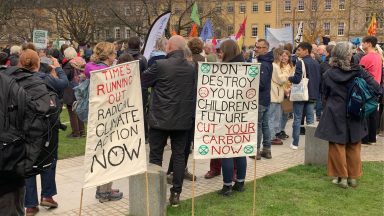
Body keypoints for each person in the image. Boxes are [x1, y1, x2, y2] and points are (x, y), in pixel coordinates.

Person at [315, 42, 382, 188]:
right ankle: (352, 177)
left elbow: (324, 94)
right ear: (348, 55)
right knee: (354, 144)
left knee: (336, 145)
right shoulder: (359, 71)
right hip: (355, 110)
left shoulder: (328, 74)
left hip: (334, 111)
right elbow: (377, 88)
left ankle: (342, 178)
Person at [141, 35, 195, 207]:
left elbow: (143, 80)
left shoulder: (160, 65)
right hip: (182, 119)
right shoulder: (192, 67)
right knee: (179, 156)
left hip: (160, 120)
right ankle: (176, 194)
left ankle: (156, 193)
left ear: (169, 47)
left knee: (156, 156)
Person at [22, 49, 68, 216]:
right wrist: (58, 68)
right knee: (49, 158)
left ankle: (30, 204)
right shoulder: (46, 78)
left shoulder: (16, 80)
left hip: (26, 128)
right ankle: (47, 195)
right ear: (38, 63)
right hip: (47, 127)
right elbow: (64, 83)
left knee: (28, 163)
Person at [84, 42, 123, 202]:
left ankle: (104, 188)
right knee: (108, 152)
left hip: (98, 117)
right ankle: (104, 192)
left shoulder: (91, 68)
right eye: (114, 54)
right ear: (108, 56)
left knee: (102, 152)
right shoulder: (106, 72)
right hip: (107, 116)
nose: (116, 57)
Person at [166, 38, 203, 184]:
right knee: (182, 145)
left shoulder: (195, 64)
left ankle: (175, 171)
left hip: (188, 109)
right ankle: (176, 172)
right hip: (187, 110)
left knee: (183, 145)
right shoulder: (190, 66)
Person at [216, 39, 247, 196]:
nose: (219, 53)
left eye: (221, 51)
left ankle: (227, 186)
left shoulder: (223, 70)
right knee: (240, 148)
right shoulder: (246, 67)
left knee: (226, 150)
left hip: (225, 115)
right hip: (242, 115)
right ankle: (240, 182)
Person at [288, 42, 321, 150]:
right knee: (310, 120)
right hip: (313, 94)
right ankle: (310, 144)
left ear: (306, 51)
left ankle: (295, 143)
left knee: (297, 119)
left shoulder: (300, 62)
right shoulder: (316, 63)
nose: (297, 52)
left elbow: (297, 79)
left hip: (301, 94)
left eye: (299, 50)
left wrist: (290, 78)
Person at [250, 39, 273, 160]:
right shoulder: (266, 61)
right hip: (265, 99)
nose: (256, 49)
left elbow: (262, 84)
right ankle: (267, 150)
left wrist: (250, 83)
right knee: (265, 125)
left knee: (259, 125)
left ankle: (256, 150)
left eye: (259, 47)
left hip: (260, 99)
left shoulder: (263, 64)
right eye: (256, 47)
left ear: (265, 49)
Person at [359, 36, 383, 144]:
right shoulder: (379, 56)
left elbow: (359, 73)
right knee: (373, 112)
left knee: (365, 112)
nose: (362, 45)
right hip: (377, 86)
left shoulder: (366, 58)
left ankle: (365, 138)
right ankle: (372, 138)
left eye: (363, 43)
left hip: (367, 88)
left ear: (368, 44)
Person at [125, 36, 149, 143]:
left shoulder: (123, 57)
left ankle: (129, 134)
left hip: (127, 90)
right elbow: (146, 74)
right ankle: (145, 136)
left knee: (128, 112)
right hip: (140, 89)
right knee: (141, 112)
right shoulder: (142, 59)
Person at [62, 47, 86, 138]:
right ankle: (82, 131)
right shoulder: (82, 61)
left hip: (72, 90)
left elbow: (64, 78)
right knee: (79, 110)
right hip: (81, 88)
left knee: (72, 112)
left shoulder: (69, 64)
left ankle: (76, 133)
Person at [269, 48, 289, 145]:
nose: (283, 57)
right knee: (272, 117)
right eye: (281, 55)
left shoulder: (275, 65)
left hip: (276, 94)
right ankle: (272, 136)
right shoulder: (275, 66)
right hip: (274, 94)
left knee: (275, 116)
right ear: (278, 55)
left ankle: (274, 135)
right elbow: (281, 80)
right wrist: (287, 73)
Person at [277, 50, 295, 140]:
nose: (284, 58)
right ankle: (278, 131)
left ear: (289, 57)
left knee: (286, 113)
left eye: (286, 56)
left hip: (289, 92)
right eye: (282, 56)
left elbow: (293, 79)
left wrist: (290, 89)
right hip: (281, 92)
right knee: (279, 113)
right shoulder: (278, 67)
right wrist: (284, 90)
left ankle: (282, 129)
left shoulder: (291, 67)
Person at [317, 44, 335, 121]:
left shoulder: (323, 65)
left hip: (325, 91)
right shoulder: (338, 64)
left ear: (327, 53)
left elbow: (319, 78)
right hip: (336, 90)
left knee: (326, 110)